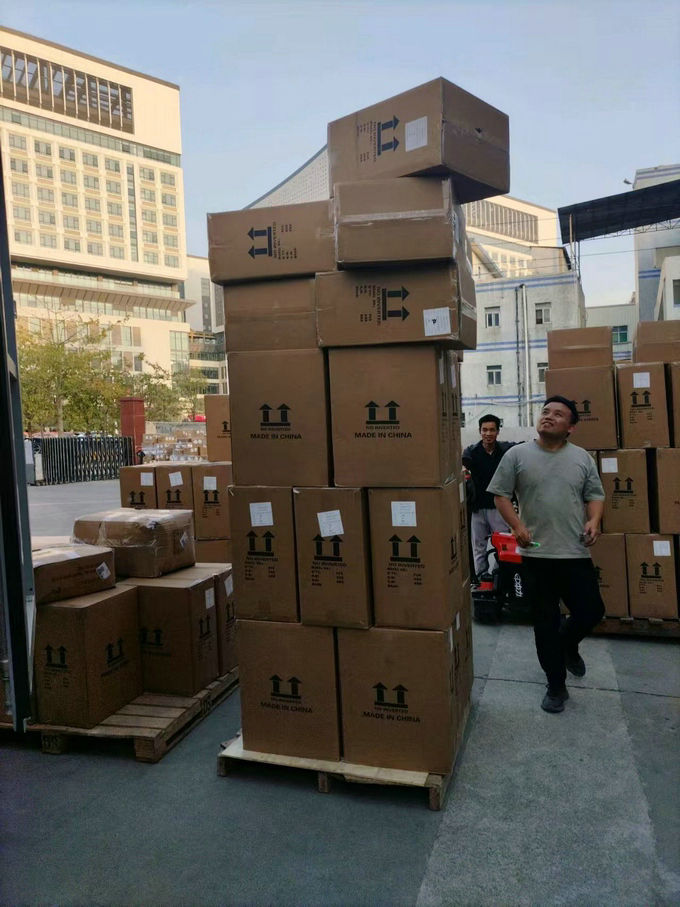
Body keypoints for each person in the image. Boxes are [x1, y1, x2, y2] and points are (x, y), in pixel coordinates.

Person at [486, 395, 605, 713]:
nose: (549, 416)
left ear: (571, 427)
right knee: (545, 622)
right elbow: (500, 495)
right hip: (536, 555)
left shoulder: (581, 458)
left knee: (592, 610)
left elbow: (594, 495)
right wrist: (516, 526)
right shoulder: (517, 455)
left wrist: (594, 520)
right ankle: (556, 686)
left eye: (558, 414)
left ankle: (568, 644)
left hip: (574, 551)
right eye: (545, 411)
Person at [462, 414, 517, 582]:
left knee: (503, 543)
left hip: (499, 507)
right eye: (484, 430)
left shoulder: (506, 450)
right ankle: (482, 577)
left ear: (498, 431)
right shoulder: (471, 452)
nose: (488, 434)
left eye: (492, 430)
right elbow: (462, 464)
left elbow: (524, 447)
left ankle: (500, 575)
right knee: (478, 545)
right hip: (478, 507)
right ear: (479, 431)